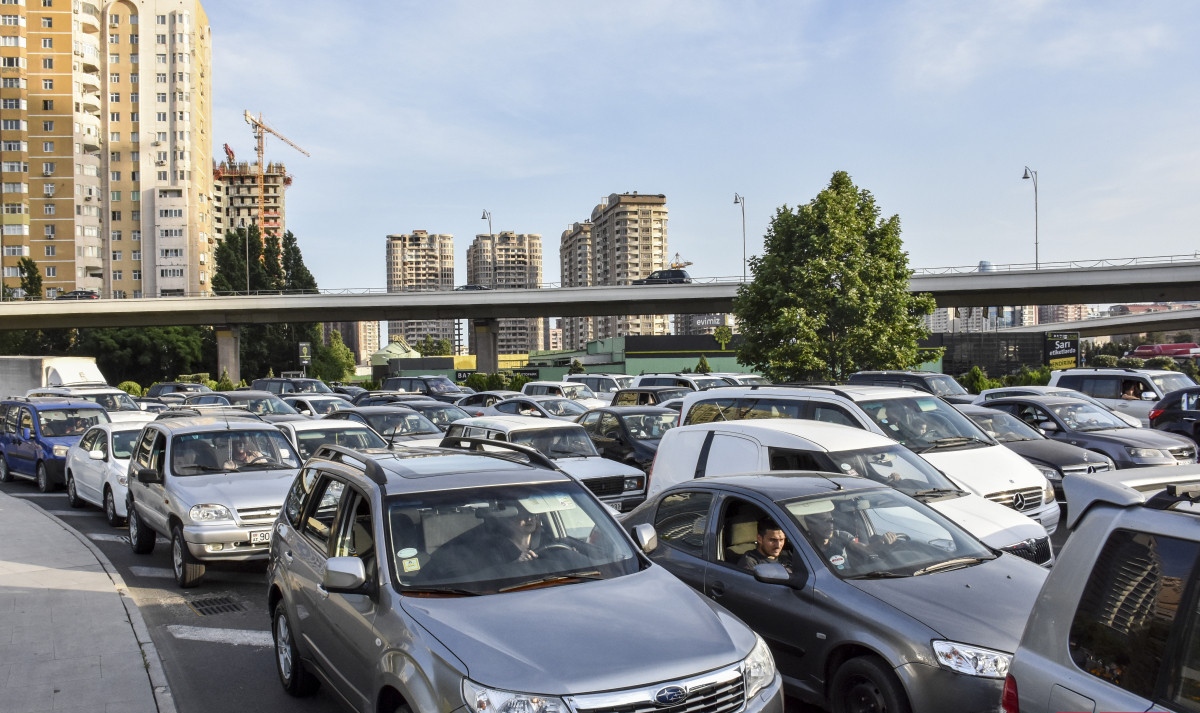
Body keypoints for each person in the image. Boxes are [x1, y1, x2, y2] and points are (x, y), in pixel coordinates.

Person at [803, 511, 900, 568]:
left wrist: (881, 541)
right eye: (824, 521)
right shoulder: (803, 544)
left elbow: (865, 549)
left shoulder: (840, 536)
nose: (830, 525)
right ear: (810, 525)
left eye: (831, 521)